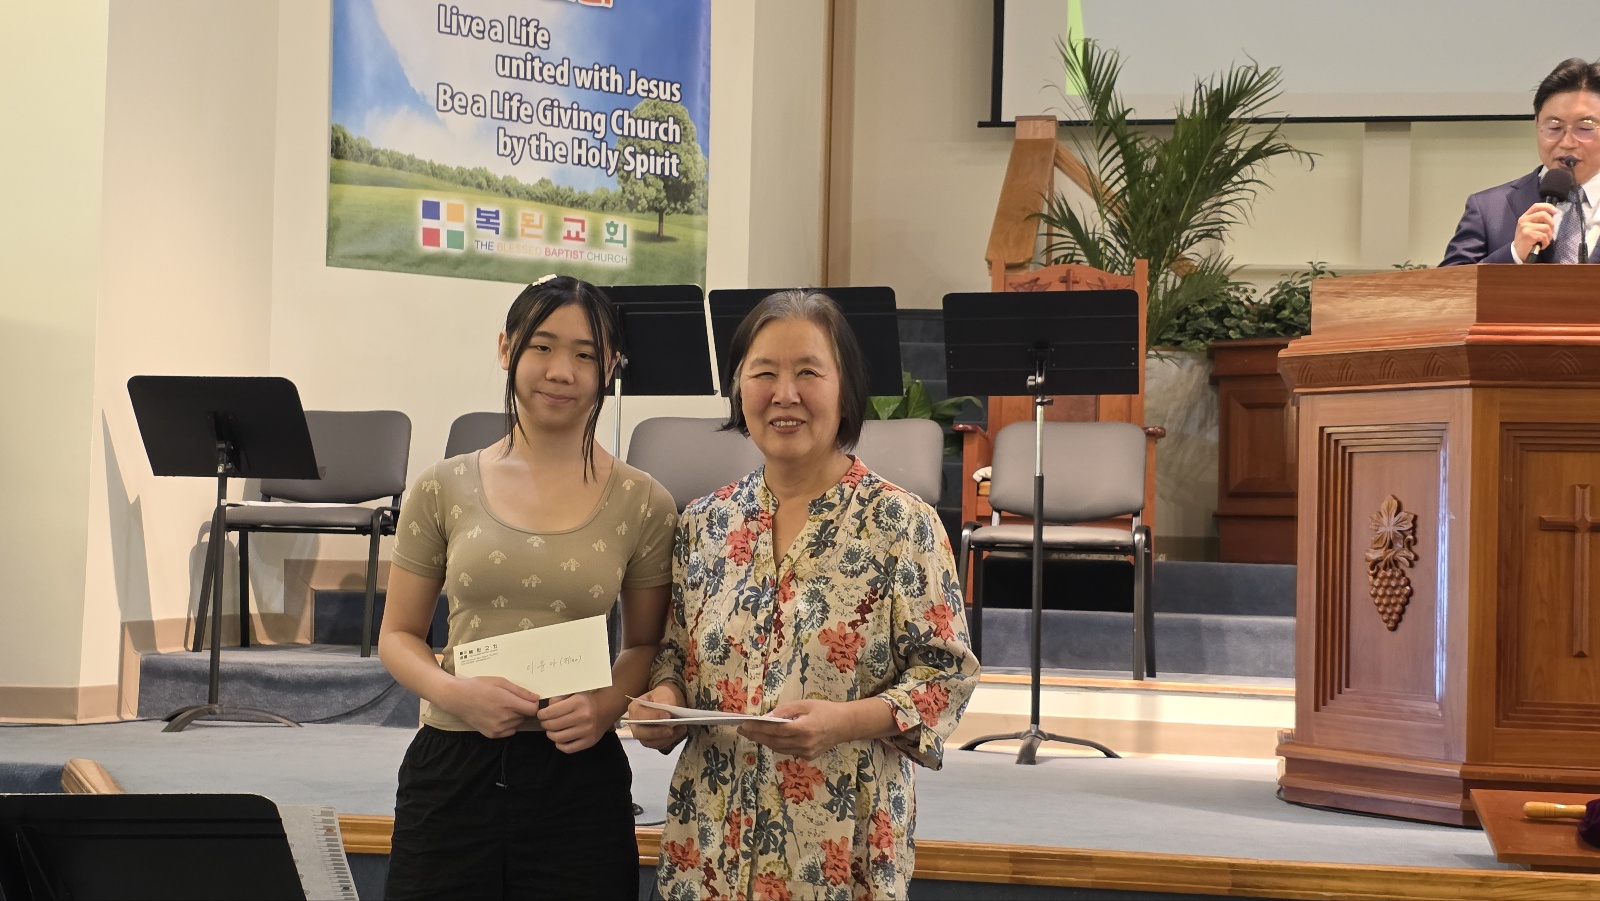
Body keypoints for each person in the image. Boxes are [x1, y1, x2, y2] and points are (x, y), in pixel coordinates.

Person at [627, 289, 981, 901]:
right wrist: (663, 702)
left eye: (809, 372)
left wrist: (844, 722)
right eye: (763, 372)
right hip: (709, 845)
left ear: (846, 390)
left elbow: (947, 677)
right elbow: (674, 654)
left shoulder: (902, 524)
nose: (784, 394)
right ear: (738, 389)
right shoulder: (705, 523)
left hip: (838, 846)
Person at [378, 275, 678, 899]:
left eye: (585, 354)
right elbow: (398, 635)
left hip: (578, 773)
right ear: (505, 348)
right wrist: (454, 692)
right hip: (452, 765)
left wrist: (605, 707)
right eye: (542, 346)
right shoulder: (442, 486)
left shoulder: (644, 501)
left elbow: (644, 646)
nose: (561, 371)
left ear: (610, 367)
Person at [1441, 58, 1600, 265]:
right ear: (1537, 125)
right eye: (1554, 127)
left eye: (1585, 128)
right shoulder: (1489, 208)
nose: (1567, 143)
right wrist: (1513, 254)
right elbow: (1450, 283)